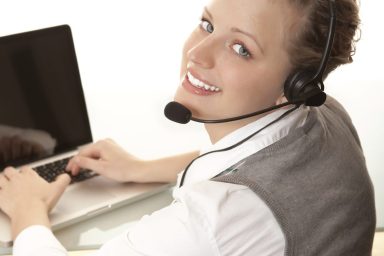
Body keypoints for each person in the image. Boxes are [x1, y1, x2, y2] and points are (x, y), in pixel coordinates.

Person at [0, 0, 376, 255]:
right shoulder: (328, 116)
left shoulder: (213, 221)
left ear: (296, 85)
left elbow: (230, 210)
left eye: (241, 48)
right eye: (207, 25)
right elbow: (263, 160)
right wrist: (143, 169)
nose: (197, 54)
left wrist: (27, 213)